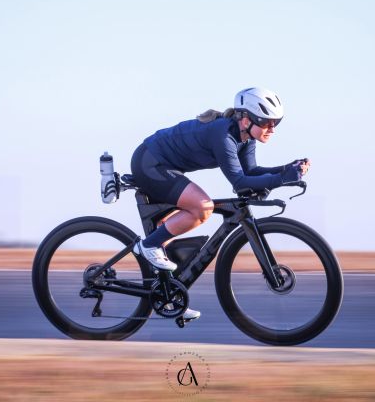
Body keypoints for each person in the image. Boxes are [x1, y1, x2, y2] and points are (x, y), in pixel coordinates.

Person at [130, 87, 310, 321]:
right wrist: (283, 178)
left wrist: (286, 169)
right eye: (266, 123)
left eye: (276, 123)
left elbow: (251, 172)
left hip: (165, 166)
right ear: (245, 119)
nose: (272, 129)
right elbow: (240, 182)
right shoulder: (223, 135)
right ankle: (147, 246)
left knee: (176, 234)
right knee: (202, 207)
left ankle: (169, 296)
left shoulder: (245, 138)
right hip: (150, 162)